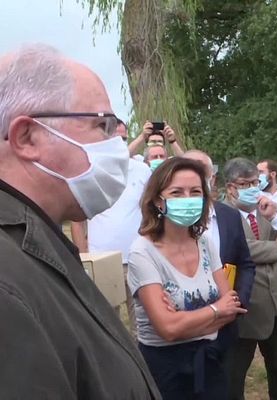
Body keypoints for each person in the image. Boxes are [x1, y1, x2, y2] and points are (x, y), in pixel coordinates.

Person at [0, 43, 159, 398]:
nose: (116, 143)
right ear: (27, 137)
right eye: (103, 125)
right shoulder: (7, 278)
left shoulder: (36, 241)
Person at [127, 157, 247, 400]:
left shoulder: (205, 243)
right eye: (177, 192)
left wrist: (185, 318)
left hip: (210, 361)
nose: (188, 198)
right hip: (165, 370)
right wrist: (215, 310)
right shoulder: (143, 252)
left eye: (195, 191)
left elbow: (232, 309)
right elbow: (168, 329)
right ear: (158, 200)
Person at [223, 157, 277, 400]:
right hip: (242, 309)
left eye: (256, 181)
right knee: (232, 378)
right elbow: (230, 249)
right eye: (245, 184)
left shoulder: (272, 207)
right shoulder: (220, 214)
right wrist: (274, 249)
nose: (253, 188)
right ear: (231, 188)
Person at [71, 119, 152, 333]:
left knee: (143, 323)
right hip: (102, 260)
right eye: (114, 138)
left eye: (123, 138)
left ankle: (143, 365)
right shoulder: (89, 171)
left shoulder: (142, 170)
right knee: (106, 325)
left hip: (137, 257)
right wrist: (84, 257)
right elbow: (77, 221)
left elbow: (149, 210)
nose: (120, 143)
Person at [183, 149, 256, 344]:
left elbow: (245, 263)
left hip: (225, 323)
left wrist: (238, 301)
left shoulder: (230, 216)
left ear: (212, 179)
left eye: (200, 171)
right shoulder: (169, 221)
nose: (194, 178)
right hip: (185, 324)